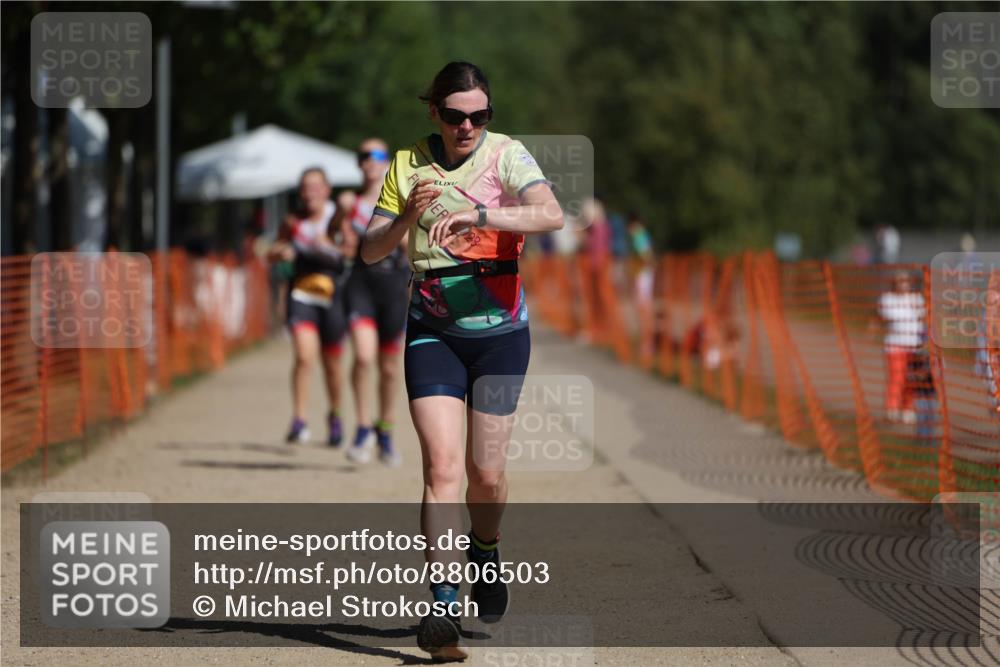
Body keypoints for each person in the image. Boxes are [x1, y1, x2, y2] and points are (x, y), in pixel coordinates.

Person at [360, 61, 562, 661]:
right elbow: (370, 252)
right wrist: (404, 219)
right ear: (435, 114)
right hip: (433, 332)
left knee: (487, 474)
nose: (467, 126)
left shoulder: (507, 156)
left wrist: (480, 214)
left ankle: (487, 546)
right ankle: (443, 604)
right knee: (442, 468)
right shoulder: (406, 165)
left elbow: (550, 215)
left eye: (478, 115)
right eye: (455, 116)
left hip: (500, 335)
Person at [333, 138, 409, 466]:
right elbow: (331, 235)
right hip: (360, 284)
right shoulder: (348, 201)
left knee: (389, 367)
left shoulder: (402, 199)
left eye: (377, 155)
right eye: (364, 155)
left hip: (394, 286)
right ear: (359, 163)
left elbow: (410, 244)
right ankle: (363, 426)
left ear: (387, 161)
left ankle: (386, 429)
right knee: (364, 357)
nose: (371, 161)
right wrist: (341, 240)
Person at [267, 168, 351, 445]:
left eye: (316, 187)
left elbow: (354, 251)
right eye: (305, 188)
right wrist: (281, 252)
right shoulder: (293, 221)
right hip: (301, 295)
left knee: (332, 364)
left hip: (333, 296)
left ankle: (335, 414)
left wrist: (330, 246)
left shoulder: (336, 218)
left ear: (327, 190)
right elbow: (272, 252)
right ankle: (300, 419)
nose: (310, 192)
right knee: (304, 357)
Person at [876, 270, 926, 424]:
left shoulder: (917, 298)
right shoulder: (887, 299)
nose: (904, 285)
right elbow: (888, 316)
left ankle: (908, 408)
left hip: (914, 346)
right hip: (895, 345)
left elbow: (922, 317)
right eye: (900, 281)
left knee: (912, 379)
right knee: (896, 377)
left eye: (906, 281)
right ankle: (892, 409)